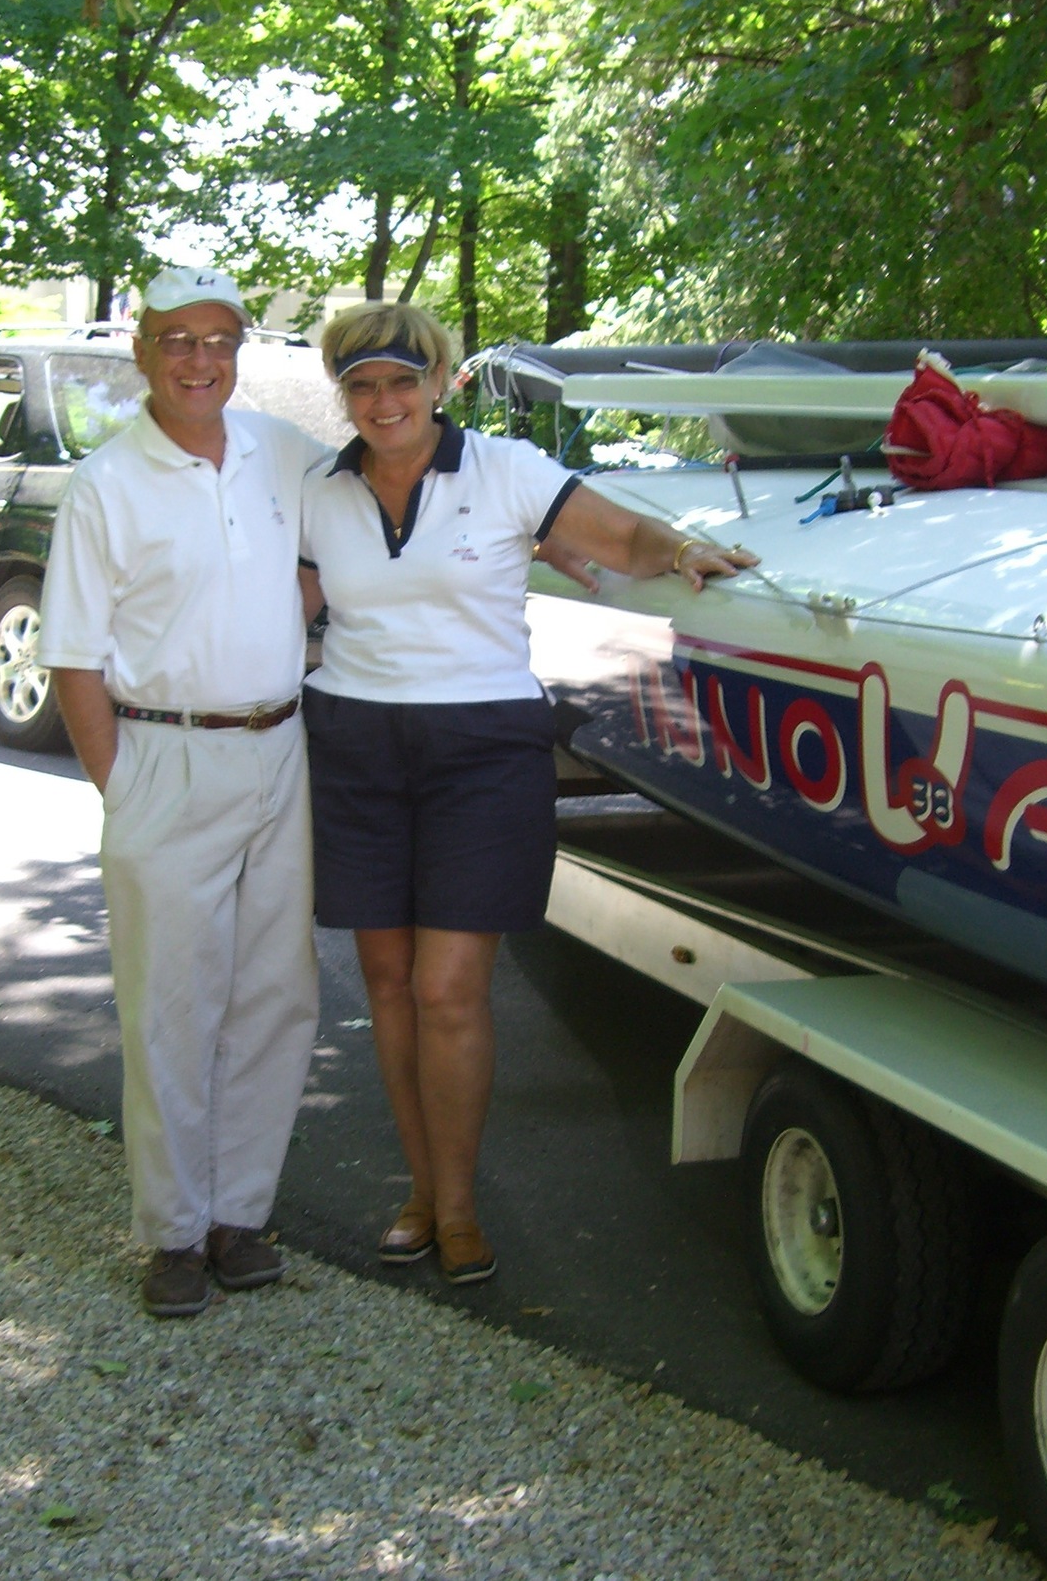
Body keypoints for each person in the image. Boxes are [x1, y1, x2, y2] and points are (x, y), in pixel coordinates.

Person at [297, 302, 756, 1284]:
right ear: (343, 395)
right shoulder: (318, 492)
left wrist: (682, 552)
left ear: (440, 382)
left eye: (401, 380)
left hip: (481, 752)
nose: (384, 401)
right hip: (357, 748)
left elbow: (621, 533)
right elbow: (275, 603)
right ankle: (418, 1190)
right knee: (386, 986)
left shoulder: (505, 471)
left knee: (449, 990)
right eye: (362, 385)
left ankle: (457, 1206)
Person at [40, 266, 336, 1318]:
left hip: (279, 747)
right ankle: (171, 1232)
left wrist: (294, 600)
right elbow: (71, 656)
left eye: (219, 339)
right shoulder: (106, 485)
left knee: (274, 993)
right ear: (142, 352)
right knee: (172, 1003)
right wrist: (122, 789)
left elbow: (358, 516)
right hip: (162, 756)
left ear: (239, 350)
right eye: (177, 340)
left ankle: (239, 1215)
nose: (199, 360)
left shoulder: (279, 452)